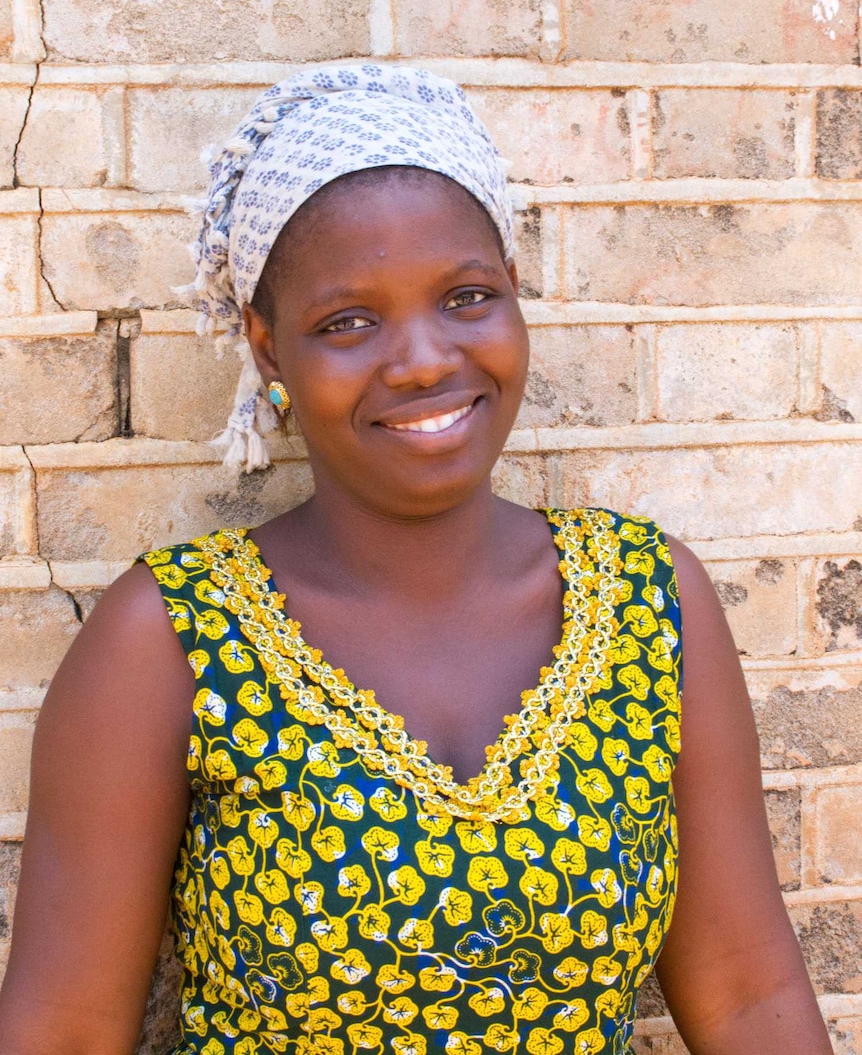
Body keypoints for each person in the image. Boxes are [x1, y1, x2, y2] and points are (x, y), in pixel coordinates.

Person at [0, 64, 832, 1055]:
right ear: (267, 352)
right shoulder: (170, 640)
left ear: (513, 297)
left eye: (465, 297)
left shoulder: (652, 602)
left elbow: (744, 992)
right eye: (346, 322)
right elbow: (63, 1034)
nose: (424, 359)